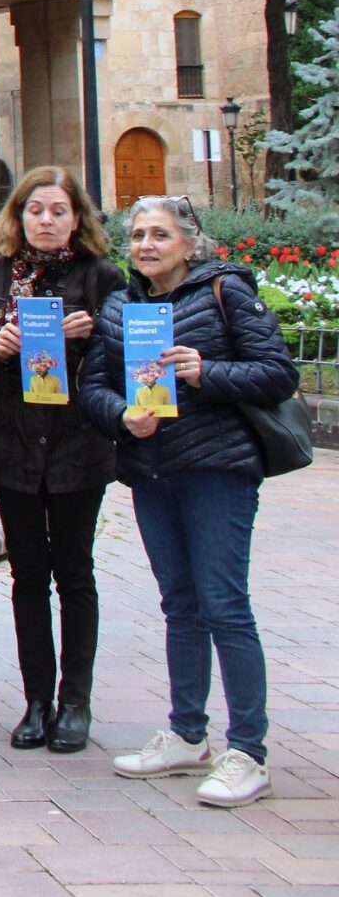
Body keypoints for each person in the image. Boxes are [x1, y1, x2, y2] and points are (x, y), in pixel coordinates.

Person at [85, 196, 296, 810]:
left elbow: (278, 373)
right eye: (137, 236)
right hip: (152, 472)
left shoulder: (227, 290)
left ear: (189, 243)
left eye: (160, 235)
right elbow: (92, 386)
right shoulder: (120, 307)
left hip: (217, 470)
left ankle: (248, 752)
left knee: (224, 606)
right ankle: (186, 735)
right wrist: (122, 417)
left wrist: (207, 371)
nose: (146, 245)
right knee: (180, 605)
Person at [0, 165, 127, 756]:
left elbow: (128, 357)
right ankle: (37, 701)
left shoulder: (101, 276)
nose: (45, 220)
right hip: (12, 441)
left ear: (77, 218)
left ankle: (76, 702)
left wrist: (93, 336)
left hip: (76, 444)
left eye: (58, 211)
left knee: (75, 572)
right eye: (35, 210)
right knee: (28, 575)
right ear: (18, 216)